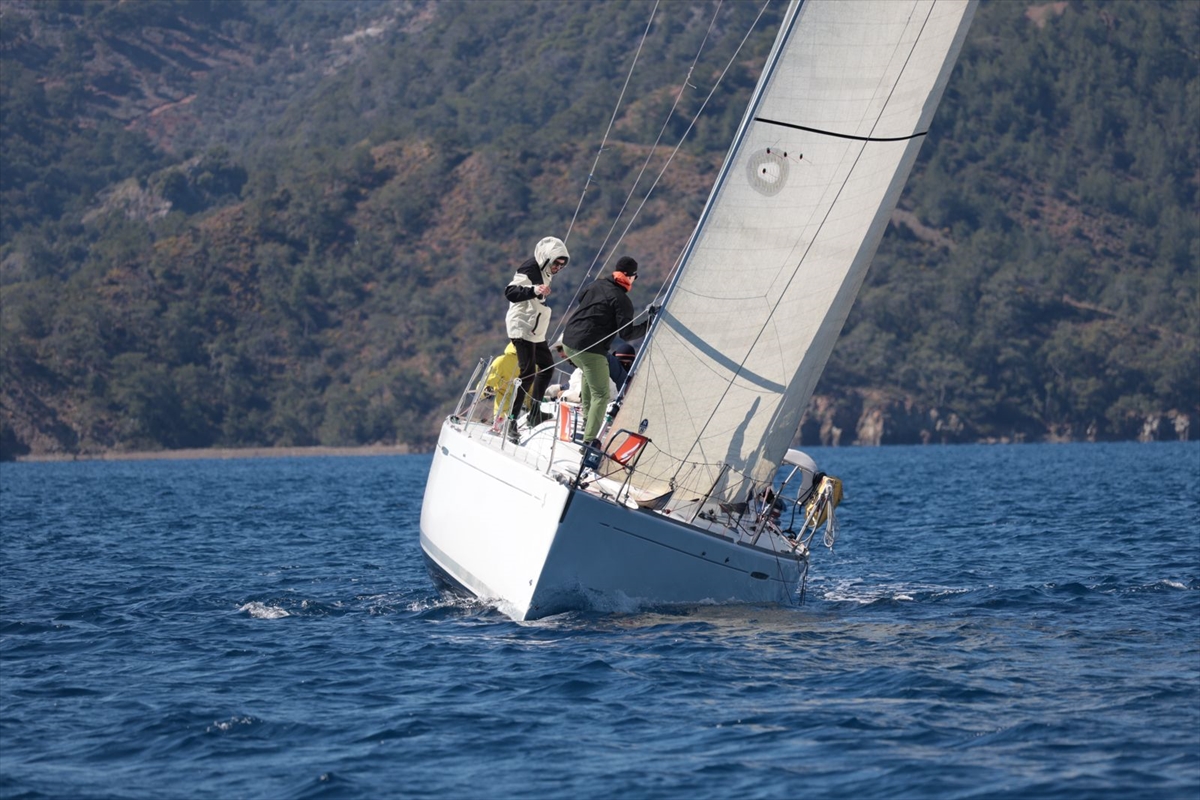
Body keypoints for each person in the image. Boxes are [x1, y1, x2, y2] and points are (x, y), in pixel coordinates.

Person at [562, 256, 656, 449]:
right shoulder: (622, 300)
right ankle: (589, 442)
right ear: (630, 277)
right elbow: (627, 333)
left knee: (591, 379)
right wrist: (650, 324)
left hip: (568, 343)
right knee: (602, 395)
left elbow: (582, 299)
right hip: (590, 349)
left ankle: (588, 421)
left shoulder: (596, 284)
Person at [505, 236, 569, 442]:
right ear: (547, 258)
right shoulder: (530, 269)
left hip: (535, 329)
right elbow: (511, 292)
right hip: (522, 328)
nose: (559, 267)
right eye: (556, 263)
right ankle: (511, 421)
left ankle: (534, 412)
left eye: (562, 264)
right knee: (527, 372)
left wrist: (538, 295)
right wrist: (535, 290)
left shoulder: (545, 270)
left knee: (547, 367)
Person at [479, 342, 518, 423]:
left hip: (506, 411)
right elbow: (486, 383)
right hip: (524, 411)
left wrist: (485, 391)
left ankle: (499, 423)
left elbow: (487, 382)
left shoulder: (502, 361)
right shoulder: (533, 363)